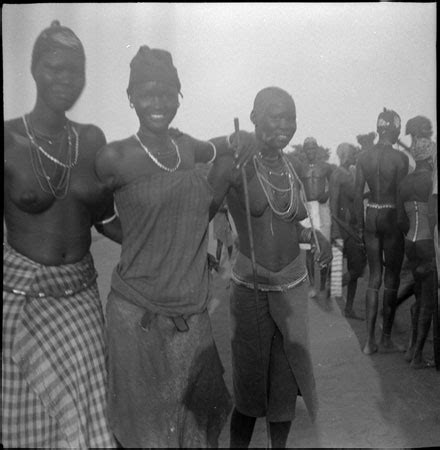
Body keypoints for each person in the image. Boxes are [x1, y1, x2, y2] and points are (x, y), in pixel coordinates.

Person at [94, 45, 256, 448]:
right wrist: (149, 244)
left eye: (168, 93)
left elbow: (220, 148)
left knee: (195, 421)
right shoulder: (114, 157)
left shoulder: (187, 148)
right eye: (147, 93)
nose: (158, 103)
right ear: (130, 97)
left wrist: (243, 136)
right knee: (144, 428)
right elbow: (98, 216)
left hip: (190, 313)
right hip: (136, 313)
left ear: (179, 96)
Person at [3, 21, 120, 448]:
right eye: (54, 67)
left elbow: (105, 218)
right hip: (20, 302)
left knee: (90, 418)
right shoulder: (7, 139)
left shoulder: (91, 141)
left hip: (80, 302)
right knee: (26, 422)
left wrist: (168, 244)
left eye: (75, 70)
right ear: (34, 70)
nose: (65, 78)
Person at [208, 86, 332, 448]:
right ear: (253, 119)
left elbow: (290, 220)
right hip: (252, 289)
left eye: (290, 117)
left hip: (292, 286)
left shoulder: (291, 166)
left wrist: (315, 236)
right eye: (275, 116)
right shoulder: (236, 161)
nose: (284, 125)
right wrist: (235, 138)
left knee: (284, 381)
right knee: (248, 389)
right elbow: (202, 202)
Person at [354, 108, 409, 355]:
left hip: (371, 215)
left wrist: (358, 224)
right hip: (390, 215)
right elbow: (400, 195)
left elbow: (357, 195)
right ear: (395, 130)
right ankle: (385, 338)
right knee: (391, 279)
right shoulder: (400, 159)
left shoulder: (363, 157)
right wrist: (403, 225)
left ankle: (369, 342)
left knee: (373, 278)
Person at [397, 117, 437, 369]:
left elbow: (402, 220)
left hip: (410, 242)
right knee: (428, 300)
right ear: (430, 156)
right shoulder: (429, 181)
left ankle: (412, 349)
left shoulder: (406, 181)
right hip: (425, 241)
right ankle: (419, 356)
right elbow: (432, 216)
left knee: (419, 296)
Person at [329, 143, 366, 319]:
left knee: (356, 268)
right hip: (342, 228)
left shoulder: (350, 173)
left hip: (352, 228)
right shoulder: (337, 175)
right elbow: (333, 204)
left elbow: (357, 197)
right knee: (340, 273)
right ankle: (329, 297)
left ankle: (348, 308)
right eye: (352, 154)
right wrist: (335, 229)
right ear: (345, 155)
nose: (354, 156)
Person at [299, 137, 333, 298]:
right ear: (304, 151)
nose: (311, 151)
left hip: (322, 208)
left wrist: (327, 193)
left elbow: (335, 184)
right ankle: (312, 284)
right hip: (307, 209)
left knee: (324, 245)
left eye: (313, 148)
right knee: (309, 250)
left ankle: (324, 284)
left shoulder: (326, 167)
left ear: (317, 149)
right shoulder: (300, 168)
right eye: (308, 149)